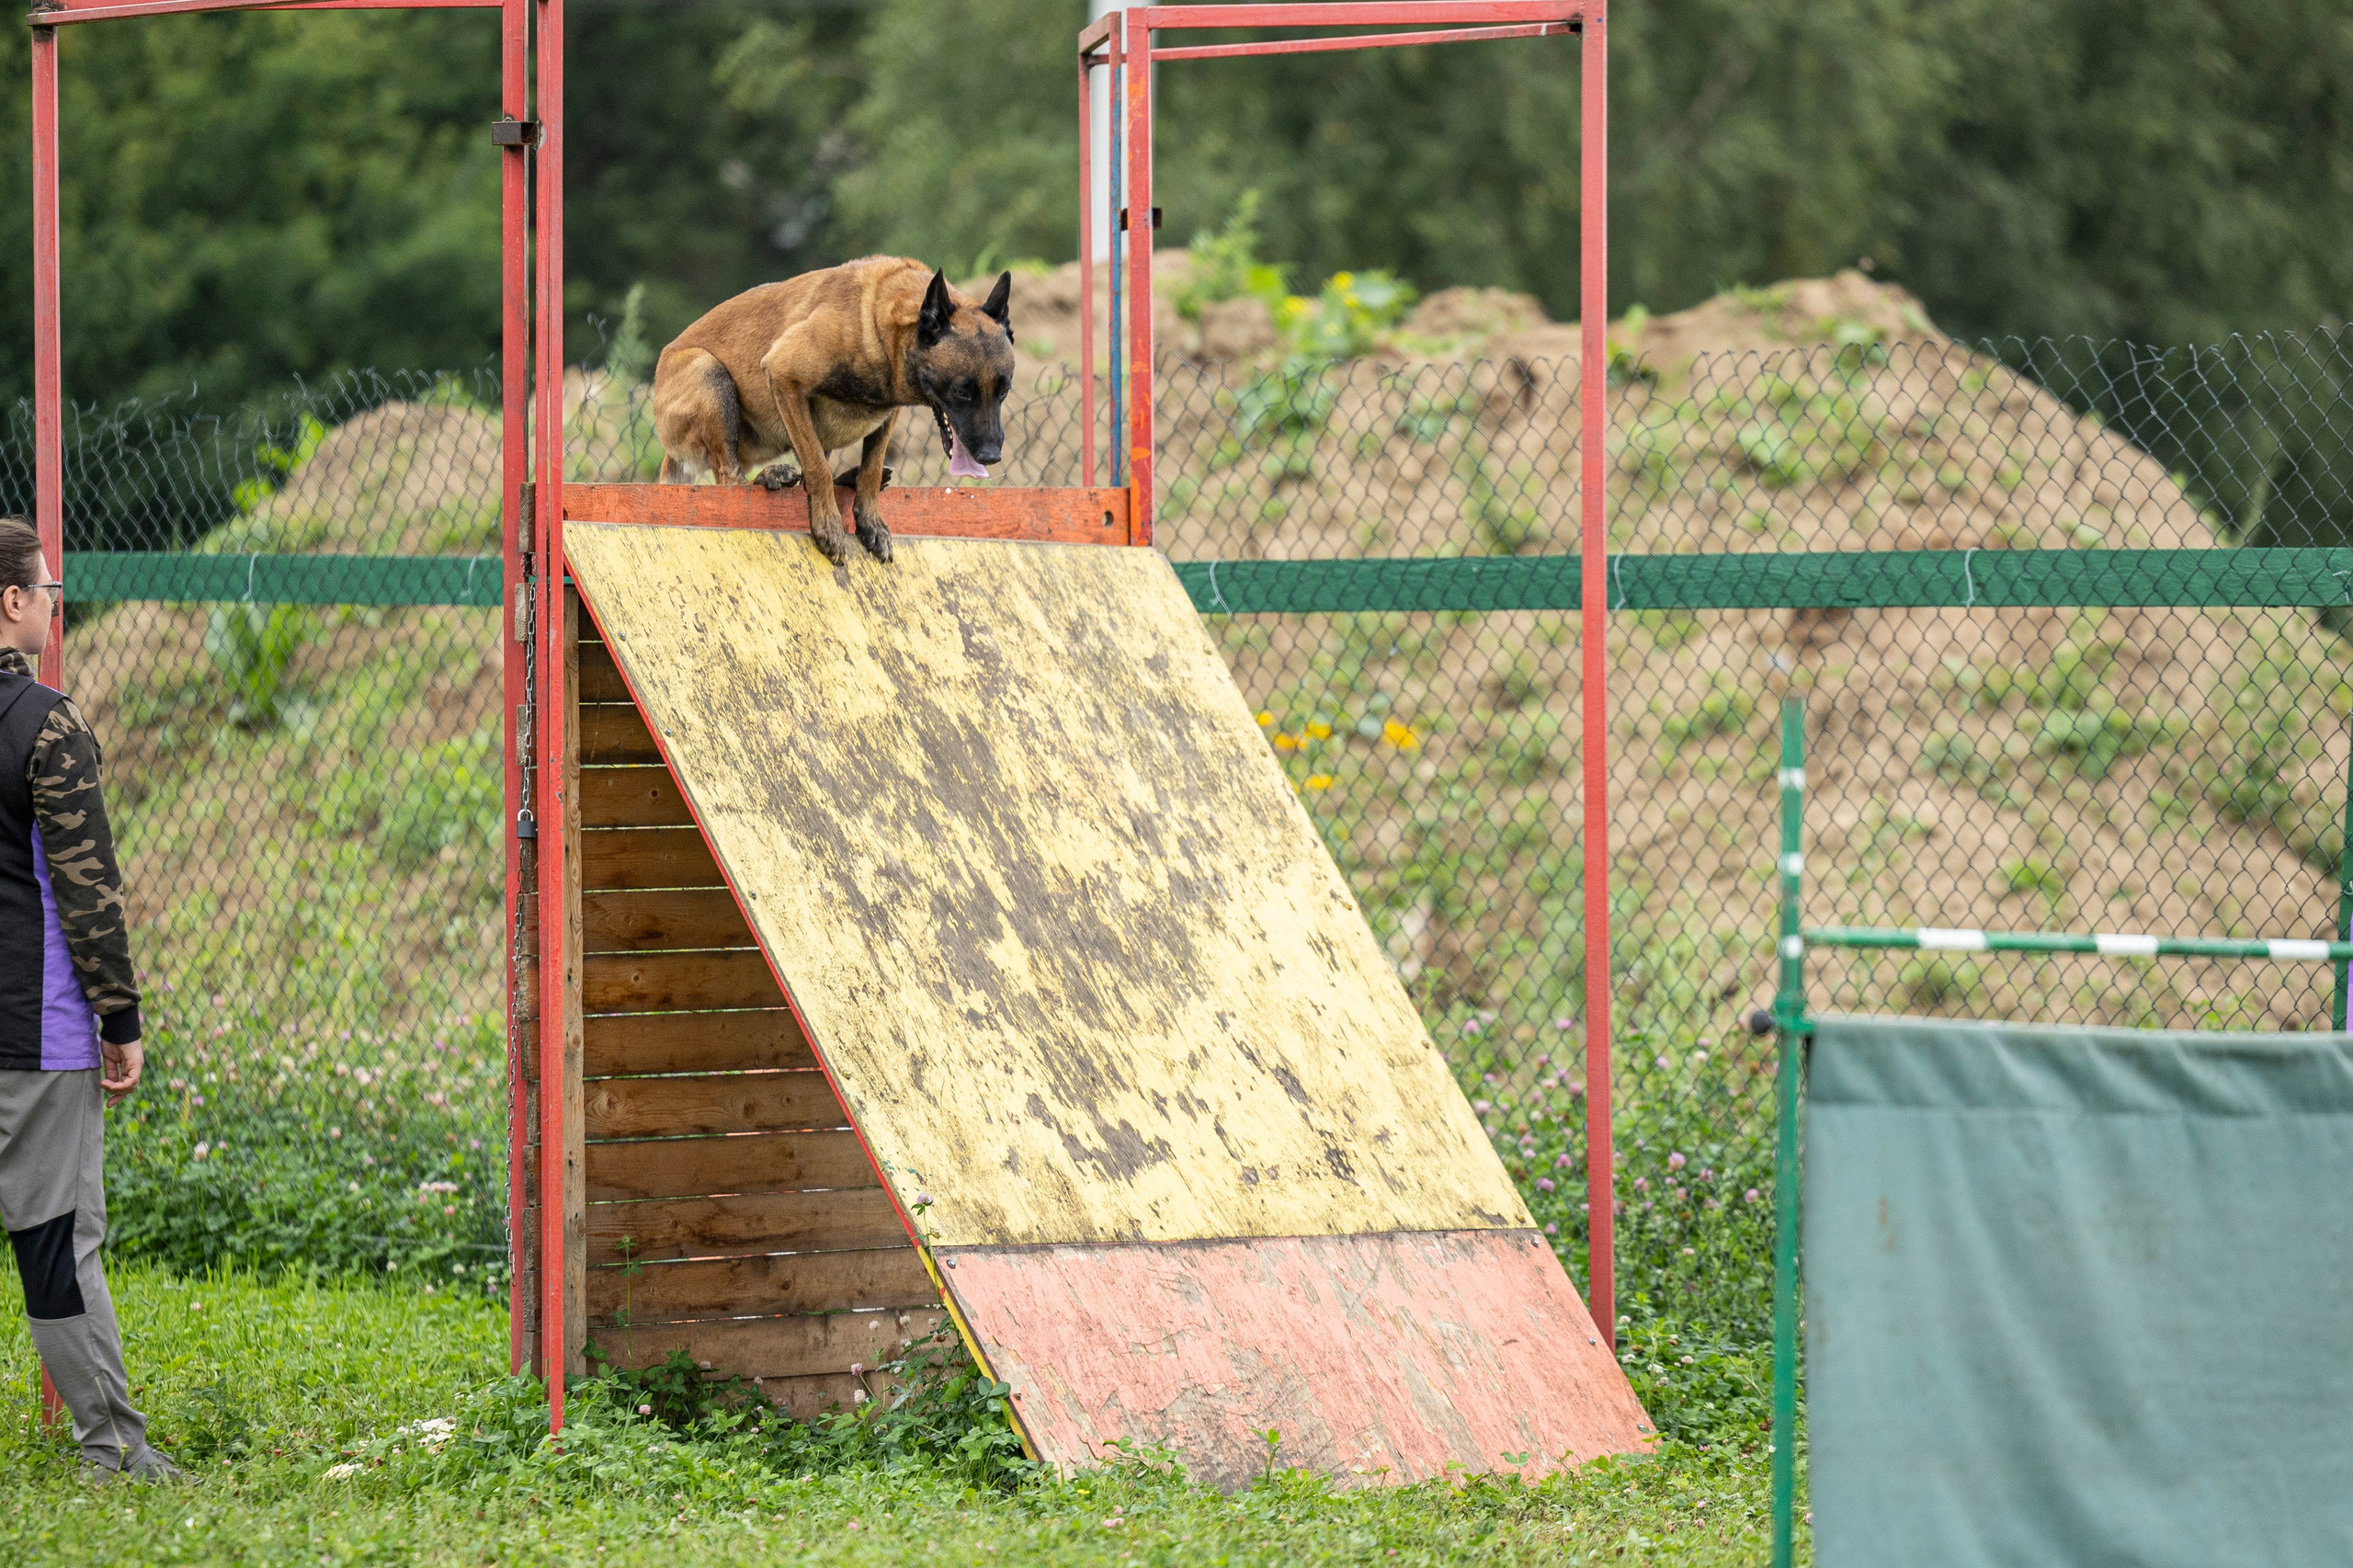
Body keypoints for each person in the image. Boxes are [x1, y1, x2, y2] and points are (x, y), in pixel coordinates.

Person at [0, 517, 176, 1480]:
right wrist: (121, 1018)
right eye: (47, 588)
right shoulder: (48, 725)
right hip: (33, 1033)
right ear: (11, 602)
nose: (54, 604)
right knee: (57, 1243)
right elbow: (88, 889)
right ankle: (113, 1451)